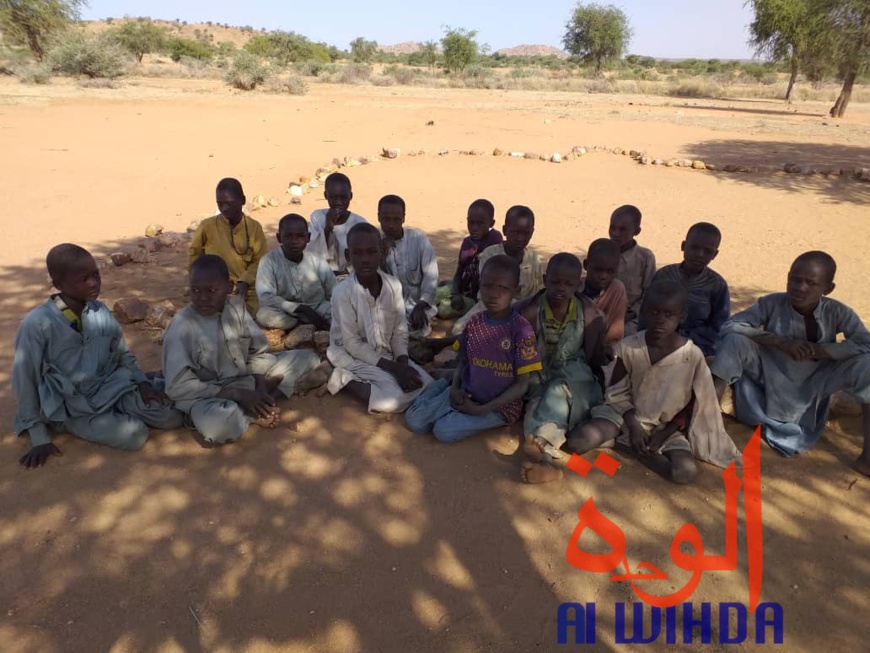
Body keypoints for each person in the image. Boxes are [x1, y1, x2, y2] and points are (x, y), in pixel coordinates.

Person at [13, 244, 183, 468]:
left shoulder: (100, 311)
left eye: (95, 275)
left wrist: (141, 382)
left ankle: (140, 391)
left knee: (171, 418)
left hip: (112, 386)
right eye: (83, 279)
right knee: (135, 435)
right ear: (58, 284)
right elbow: (25, 380)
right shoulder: (37, 324)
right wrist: (38, 437)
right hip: (72, 405)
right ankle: (65, 423)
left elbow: (123, 353)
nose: (94, 283)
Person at [710, 251, 870, 476]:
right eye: (795, 279)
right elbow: (730, 326)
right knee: (734, 341)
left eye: (811, 283)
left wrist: (821, 350)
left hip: (818, 380)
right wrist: (779, 342)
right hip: (772, 372)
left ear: (828, 288)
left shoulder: (837, 311)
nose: (800, 287)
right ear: (788, 277)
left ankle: (868, 458)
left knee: (867, 366)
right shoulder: (772, 303)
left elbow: (865, 343)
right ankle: (705, 426)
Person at [566, 281, 742, 484]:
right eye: (655, 312)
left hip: (664, 427)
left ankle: (635, 448)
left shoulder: (692, 356)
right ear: (644, 312)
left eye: (669, 315)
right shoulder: (630, 347)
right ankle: (633, 443)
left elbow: (696, 404)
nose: (660, 320)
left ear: (682, 316)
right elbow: (616, 391)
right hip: (623, 417)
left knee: (685, 473)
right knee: (578, 441)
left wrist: (664, 433)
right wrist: (633, 426)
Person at [163, 255, 324, 444]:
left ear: (229, 287)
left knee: (307, 358)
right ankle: (255, 412)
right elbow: (177, 387)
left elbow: (258, 352)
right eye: (195, 290)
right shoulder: (181, 326)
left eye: (211, 290)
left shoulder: (236, 307)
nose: (203, 298)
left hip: (245, 378)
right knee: (219, 426)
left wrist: (258, 381)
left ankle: (264, 398)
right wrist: (235, 394)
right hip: (209, 395)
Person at [406, 255, 542, 442]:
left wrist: (482, 409)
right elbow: (463, 360)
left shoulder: (521, 330)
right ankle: (443, 387)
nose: (493, 294)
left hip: (497, 407)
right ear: (480, 286)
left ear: (516, 291)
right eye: (487, 286)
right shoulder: (475, 322)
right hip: (465, 392)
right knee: (415, 421)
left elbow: (522, 384)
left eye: (502, 288)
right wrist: (454, 389)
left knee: (444, 431)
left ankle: (449, 404)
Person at [518, 254, 607, 483]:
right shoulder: (530, 310)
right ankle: (547, 462)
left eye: (569, 284)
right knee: (537, 402)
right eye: (556, 282)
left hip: (574, 375)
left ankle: (540, 448)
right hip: (539, 372)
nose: (561, 289)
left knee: (557, 391)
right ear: (545, 280)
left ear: (579, 285)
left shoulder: (589, 314)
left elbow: (594, 356)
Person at [326, 223, 433, 412]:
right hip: (350, 354)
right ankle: (343, 378)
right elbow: (352, 344)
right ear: (348, 255)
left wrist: (402, 363)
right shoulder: (343, 292)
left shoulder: (393, 286)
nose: (365, 259)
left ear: (381, 254)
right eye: (358, 253)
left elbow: (399, 332)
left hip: (386, 353)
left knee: (427, 387)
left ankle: (385, 379)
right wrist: (396, 370)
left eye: (371, 252)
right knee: (393, 401)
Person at [451, 205, 544, 335]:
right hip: (489, 306)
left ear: (532, 232)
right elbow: (486, 288)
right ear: (505, 230)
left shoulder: (533, 259)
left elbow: (538, 292)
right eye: (515, 232)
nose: (520, 238)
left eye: (525, 233)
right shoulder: (490, 255)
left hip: (523, 312)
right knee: (460, 329)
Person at [648, 222, 729, 358]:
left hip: (697, 347)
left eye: (707, 251)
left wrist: (687, 341)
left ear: (715, 254)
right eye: (694, 248)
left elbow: (719, 325)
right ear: (683, 246)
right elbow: (647, 311)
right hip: (658, 339)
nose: (700, 254)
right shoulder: (664, 275)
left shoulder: (717, 285)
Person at [189, 177, 267, 315]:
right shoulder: (207, 226)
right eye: (220, 204)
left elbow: (260, 261)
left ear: (243, 200)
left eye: (229, 203)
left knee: (257, 312)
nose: (224, 208)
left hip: (246, 289)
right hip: (214, 289)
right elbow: (194, 257)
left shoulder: (254, 228)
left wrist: (244, 281)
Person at [255, 213, 335, 332]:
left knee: (341, 312)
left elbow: (333, 291)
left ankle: (317, 324)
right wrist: (299, 308)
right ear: (279, 238)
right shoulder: (269, 261)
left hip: (318, 308)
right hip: (287, 312)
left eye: (300, 236)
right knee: (263, 315)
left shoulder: (317, 261)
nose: (294, 241)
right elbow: (266, 296)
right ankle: (301, 325)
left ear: (308, 237)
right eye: (288, 236)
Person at [378, 194, 439, 337]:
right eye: (386, 219)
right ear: (379, 217)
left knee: (417, 328)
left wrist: (421, 305)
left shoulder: (418, 239)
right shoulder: (374, 245)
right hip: (389, 309)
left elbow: (431, 276)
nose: (391, 225)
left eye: (396, 219)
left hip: (419, 306)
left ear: (403, 218)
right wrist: (381, 256)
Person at [436, 199, 503, 320]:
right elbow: (459, 273)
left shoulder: (494, 239)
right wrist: (456, 294)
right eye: (470, 222)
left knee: (444, 309)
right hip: (462, 288)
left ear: (491, 223)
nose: (474, 227)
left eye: (480, 223)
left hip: (477, 298)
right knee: (433, 294)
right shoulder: (466, 242)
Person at [308, 172, 368, 276]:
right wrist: (328, 228)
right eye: (333, 197)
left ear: (351, 196)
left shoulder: (359, 223)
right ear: (326, 196)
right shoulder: (317, 217)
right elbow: (312, 252)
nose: (339, 202)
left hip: (351, 277)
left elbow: (364, 256)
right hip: (320, 276)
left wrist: (345, 272)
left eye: (343, 197)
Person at [609, 204, 656, 336]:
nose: (616, 234)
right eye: (613, 227)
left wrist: (632, 313)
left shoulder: (646, 257)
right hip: (601, 310)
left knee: (628, 336)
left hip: (631, 316)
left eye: (623, 229)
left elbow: (649, 294)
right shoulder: (601, 250)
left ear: (637, 231)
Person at [581, 238, 627, 346]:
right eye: (598, 270)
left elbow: (614, 333)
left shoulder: (616, 289)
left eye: (610, 271)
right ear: (586, 265)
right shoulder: (575, 287)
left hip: (601, 347)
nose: (603, 276)